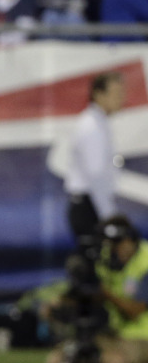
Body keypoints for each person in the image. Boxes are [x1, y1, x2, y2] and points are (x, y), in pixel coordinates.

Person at [47, 215, 148, 363]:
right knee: (54, 361)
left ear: (132, 239)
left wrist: (105, 292)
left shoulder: (145, 261)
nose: (115, 249)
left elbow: (135, 311)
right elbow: (94, 293)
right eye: (111, 244)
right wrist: (64, 302)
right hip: (116, 333)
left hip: (142, 337)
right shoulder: (105, 259)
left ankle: (93, 362)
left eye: (119, 243)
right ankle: (93, 360)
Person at [61, 72, 126, 242]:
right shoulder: (91, 127)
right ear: (99, 94)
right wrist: (109, 216)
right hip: (89, 208)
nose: (121, 98)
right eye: (116, 94)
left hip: (92, 205)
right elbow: (96, 176)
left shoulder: (100, 123)